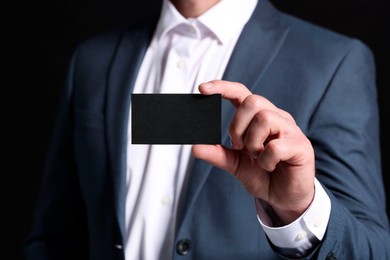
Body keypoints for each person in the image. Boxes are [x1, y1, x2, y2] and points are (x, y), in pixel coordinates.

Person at [24, 0, 390, 259]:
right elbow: (54, 236)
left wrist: (299, 209)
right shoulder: (93, 60)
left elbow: (370, 250)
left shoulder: (333, 62)